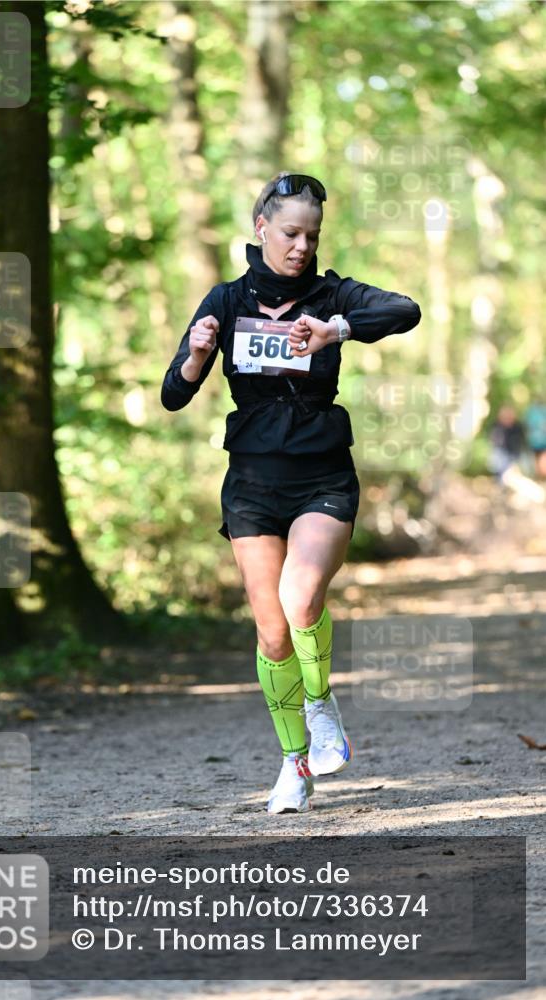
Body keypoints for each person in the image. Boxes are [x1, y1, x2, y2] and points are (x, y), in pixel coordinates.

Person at [161, 172, 422, 814]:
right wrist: (196, 356)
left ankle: (319, 699)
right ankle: (294, 764)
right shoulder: (226, 298)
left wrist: (339, 330)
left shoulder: (334, 294)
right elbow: (173, 392)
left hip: (321, 472)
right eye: (289, 232)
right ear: (261, 229)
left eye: (311, 234)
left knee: (301, 595)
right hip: (251, 480)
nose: (301, 245)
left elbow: (405, 310)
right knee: (272, 632)